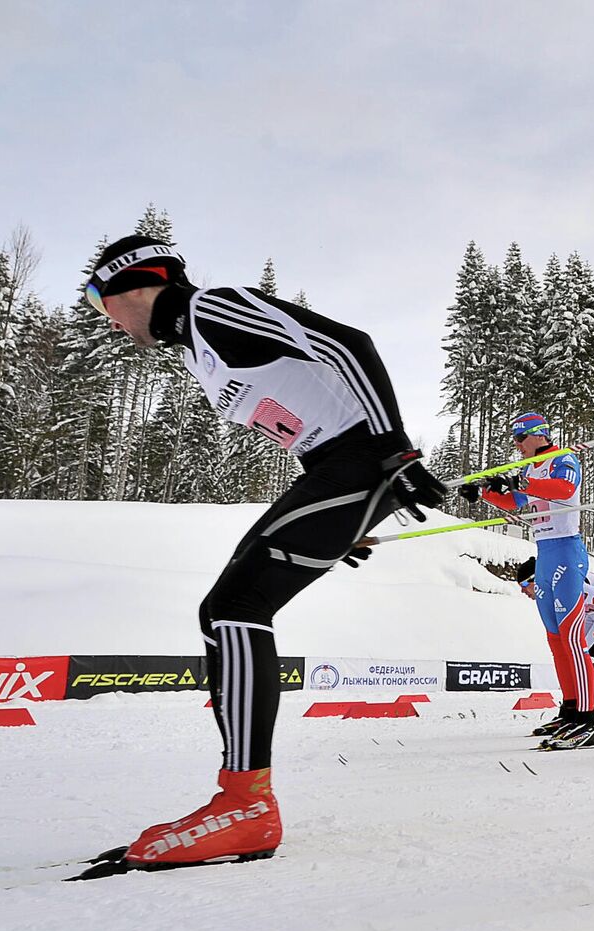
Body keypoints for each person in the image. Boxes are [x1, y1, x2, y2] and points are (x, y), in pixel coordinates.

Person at [82, 235, 445, 871]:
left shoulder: (212, 309)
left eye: (100, 301)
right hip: (334, 472)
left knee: (234, 607)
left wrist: (395, 450)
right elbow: (302, 416)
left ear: (133, 286)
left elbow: (348, 345)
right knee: (228, 608)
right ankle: (241, 799)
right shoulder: (201, 352)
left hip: (359, 461)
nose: (105, 319)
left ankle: (245, 804)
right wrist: (342, 520)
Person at [461, 412, 594, 750]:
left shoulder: (562, 457)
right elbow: (517, 502)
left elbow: (565, 488)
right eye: (514, 438)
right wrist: (485, 493)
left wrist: (521, 483)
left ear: (538, 434)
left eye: (520, 438)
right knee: (555, 638)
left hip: (567, 549)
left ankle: (587, 717)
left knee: (571, 638)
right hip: (545, 551)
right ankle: (570, 709)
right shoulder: (529, 468)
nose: (516, 444)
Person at [513, 557, 594, 744]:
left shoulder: (565, 583)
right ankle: (570, 711)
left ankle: (591, 715)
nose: (523, 591)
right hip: (593, 612)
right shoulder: (549, 589)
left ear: (536, 579)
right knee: (573, 653)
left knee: (586, 656)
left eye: (524, 584)